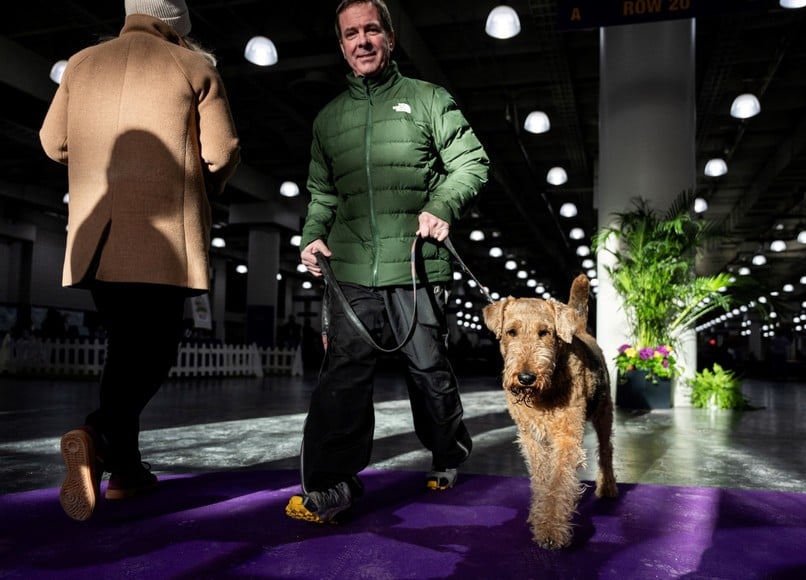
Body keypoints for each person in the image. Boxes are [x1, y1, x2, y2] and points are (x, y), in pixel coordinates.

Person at [286, 0, 490, 524]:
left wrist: (442, 206)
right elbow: (322, 195)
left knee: (429, 373)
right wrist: (312, 237)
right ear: (342, 45)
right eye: (351, 33)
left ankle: (448, 453)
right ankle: (331, 485)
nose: (362, 41)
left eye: (372, 29)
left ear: (391, 38)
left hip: (418, 267)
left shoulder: (427, 99)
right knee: (343, 377)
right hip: (351, 269)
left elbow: (470, 162)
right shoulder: (329, 119)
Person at [39, 0, 240, 521]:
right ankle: (97, 432)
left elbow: (51, 142)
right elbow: (221, 149)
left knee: (124, 351)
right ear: (177, 24)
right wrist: (206, 184)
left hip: (99, 238)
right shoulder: (195, 67)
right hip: (162, 241)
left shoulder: (82, 63)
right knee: (152, 353)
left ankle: (126, 473)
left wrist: (94, 153)